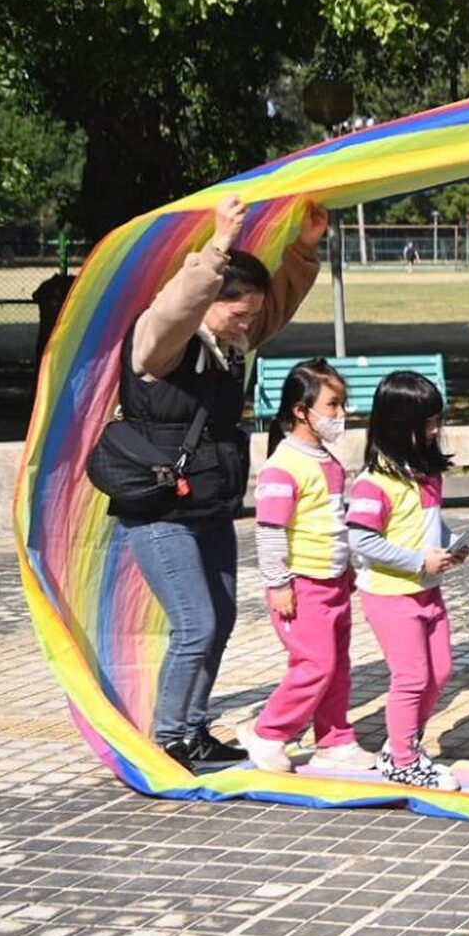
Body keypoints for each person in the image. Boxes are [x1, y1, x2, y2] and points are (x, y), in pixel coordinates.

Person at [121, 192, 327, 771]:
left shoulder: (228, 346)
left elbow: (273, 308)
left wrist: (304, 248)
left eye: (249, 316)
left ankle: (193, 730)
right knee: (196, 624)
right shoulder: (159, 344)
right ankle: (167, 741)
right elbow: (176, 307)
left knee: (221, 617)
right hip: (159, 510)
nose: (248, 324)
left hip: (206, 504)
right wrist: (218, 245)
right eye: (237, 313)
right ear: (208, 301)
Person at [241, 360, 370, 774]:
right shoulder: (284, 465)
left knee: (337, 666)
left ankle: (335, 741)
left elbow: (330, 522)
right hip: (301, 586)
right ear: (301, 410)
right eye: (332, 404)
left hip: (333, 583)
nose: (340, 413)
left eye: (342, 403)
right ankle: (267, 733)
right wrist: (279, 583)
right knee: (315, 665)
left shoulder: (327, 460)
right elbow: (270, 530)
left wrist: (345, 568)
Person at [346, 370, 467, 790]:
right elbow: (361, 539)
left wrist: (451, 544)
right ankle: (403, 759)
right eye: (427, 422)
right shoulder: (374, 482)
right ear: (399, 424)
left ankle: (402, 745)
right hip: (391, 596)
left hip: (428, 593)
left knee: (441, 672)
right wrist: (419, 561)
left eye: (437, 420)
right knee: (412, 678)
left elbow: (430, 524)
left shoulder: (427, 473)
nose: (435, 429)